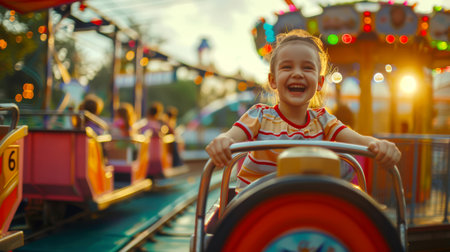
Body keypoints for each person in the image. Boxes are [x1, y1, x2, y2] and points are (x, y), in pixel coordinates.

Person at [205, 29, 401, 192]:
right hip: (258, 206)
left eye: (307, 68)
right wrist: (223, 142)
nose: (297, 73)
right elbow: (232, 137)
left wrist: (380, 146)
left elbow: (361, 141)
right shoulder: (259, 115)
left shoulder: (324, 121)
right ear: (273, 80)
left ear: (319, 82)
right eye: (287, 67)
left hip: (306, 202)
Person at [141, 102, 165, 180]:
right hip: (153, 147)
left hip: (152, 146)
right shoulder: (157, 124)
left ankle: (152, 175)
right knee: (154, 159)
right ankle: (155, 175)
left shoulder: (147, 124)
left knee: (152, 159)